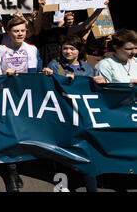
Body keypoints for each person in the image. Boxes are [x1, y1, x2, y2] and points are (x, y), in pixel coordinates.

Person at [0, 17, 52, 192]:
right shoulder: (0, 50)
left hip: (26, 99)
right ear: (8, 32)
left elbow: (36, 72)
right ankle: (11, 172)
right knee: (10, 133)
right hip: (5, 98)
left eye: (22, 31)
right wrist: (3, 75)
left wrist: (44, 72)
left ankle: (16, 166)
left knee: (22, 135)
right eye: (16, 31)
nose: (20, 34)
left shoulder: (32, 50)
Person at [44, 34, 102, 192]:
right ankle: (61, 186)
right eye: (65, 48)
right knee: (60, 152)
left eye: (72, 48)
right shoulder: (54, 65)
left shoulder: (86, 68)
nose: (68, 51)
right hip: (61, 114)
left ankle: (92, 187)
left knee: (85, 153)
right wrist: (47, 75)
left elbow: (90, 90)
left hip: (81, 116)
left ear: (79, 51)